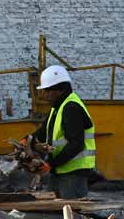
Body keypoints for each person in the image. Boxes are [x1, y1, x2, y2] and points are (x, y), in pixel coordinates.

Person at [23, 65, 97, 198]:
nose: (44, 95)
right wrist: (27, 140)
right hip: (62, 170)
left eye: (47, 90)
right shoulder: (58, 107)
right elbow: (44, 131)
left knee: (72, 213)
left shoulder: (71, 108)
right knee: (55, 211)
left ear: (59, 89)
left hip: (73, 173)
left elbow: (76, 144)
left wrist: (50, 164)